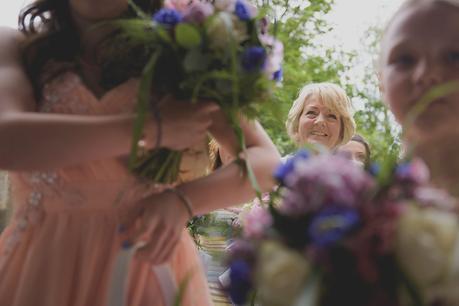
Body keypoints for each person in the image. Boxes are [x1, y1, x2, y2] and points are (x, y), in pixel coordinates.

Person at [0, 1, 281, 305]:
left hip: (146, 261)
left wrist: (182, 202)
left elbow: (265, 160)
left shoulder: (183, 56)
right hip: (42, 264)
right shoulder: (17, 46)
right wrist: (150, 128)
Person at [379, 0, 459, 195]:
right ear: (380, 83)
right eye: (405, 59)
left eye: (454, 57)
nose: (427, 74)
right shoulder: (357, 207)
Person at [285, 82, 356, 151]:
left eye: (331, 116)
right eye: (312, 112)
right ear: (297, 122)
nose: (320, 121)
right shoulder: (277, 163)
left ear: (342, 131)